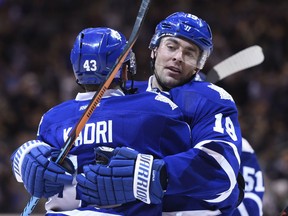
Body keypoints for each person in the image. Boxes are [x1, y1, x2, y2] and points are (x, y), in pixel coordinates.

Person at [11, 27, 192, 215]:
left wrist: (20, 156)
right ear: (124, 69)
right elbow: (189, 170)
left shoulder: (52, 118)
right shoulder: (155, 107)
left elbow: (34, 169)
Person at [76, 12, 244, 215]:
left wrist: (155, 174)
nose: (178, 57)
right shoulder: (124, 94)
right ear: (154, 50)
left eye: (190, 53)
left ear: (199, 66)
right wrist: (36, 154)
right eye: (171, 47)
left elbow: (220, 169)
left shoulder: (210, 99)